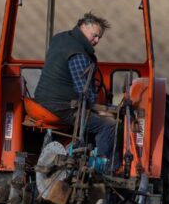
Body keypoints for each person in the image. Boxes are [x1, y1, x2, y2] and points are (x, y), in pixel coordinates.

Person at [34, 12, 116, 160]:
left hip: (41, 100)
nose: (96, 40)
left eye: (99, 38)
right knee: (108, 125)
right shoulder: (78, 53)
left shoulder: (60, 38)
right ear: (83, 26)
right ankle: (103, 168)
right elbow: (83, 92)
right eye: (95, 35)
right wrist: (100, 111)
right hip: (61, 106)